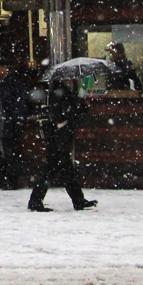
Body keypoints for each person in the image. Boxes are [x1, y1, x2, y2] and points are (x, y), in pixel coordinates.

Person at [28, 73, 98, 212]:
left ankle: (77, 200)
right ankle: (36, 200)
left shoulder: (54, 93)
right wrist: (83, 107)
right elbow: (66, 115)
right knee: (55, 168)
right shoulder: (61, 94)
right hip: (59, 136)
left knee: (64, 169)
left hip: (55, 136)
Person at [0, 60, 34, 189]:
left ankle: (12, 179)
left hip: (8, 122)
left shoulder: (14, 83)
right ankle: (1, 178)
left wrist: (18, 119)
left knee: (10, 152)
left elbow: (21, 103)